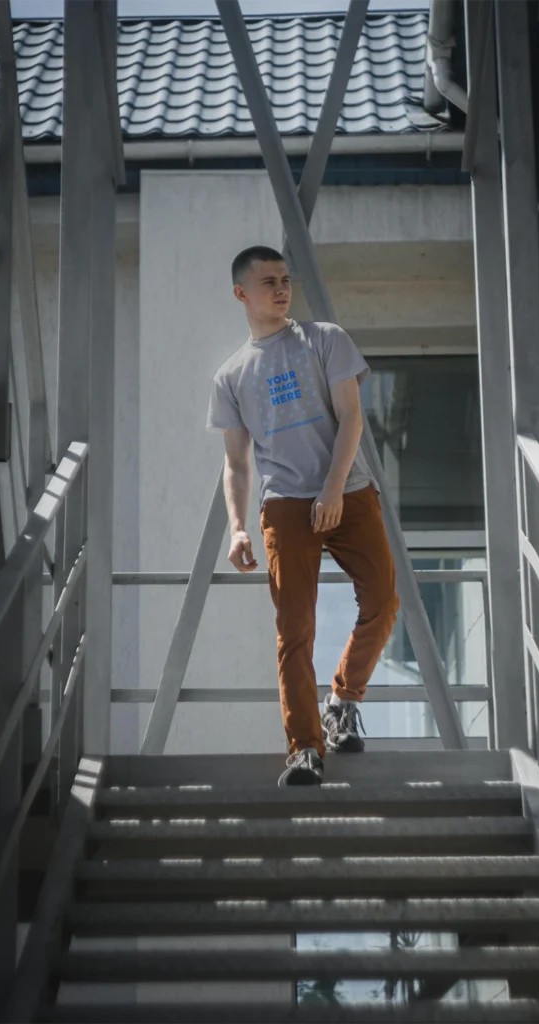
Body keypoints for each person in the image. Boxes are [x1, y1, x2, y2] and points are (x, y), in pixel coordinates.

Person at [206, 245, 399, 787]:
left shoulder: (325, 339)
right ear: (242, 293)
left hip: (350, 490)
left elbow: (352, 416)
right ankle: (305, 749)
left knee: (383, 600)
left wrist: (334, 488)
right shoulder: (231, 375)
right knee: (295, 629)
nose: (282, 288)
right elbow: (236, 463)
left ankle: (342, 698)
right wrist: (238, 526)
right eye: (268, 281)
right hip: (285, 505)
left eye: (285, 279)